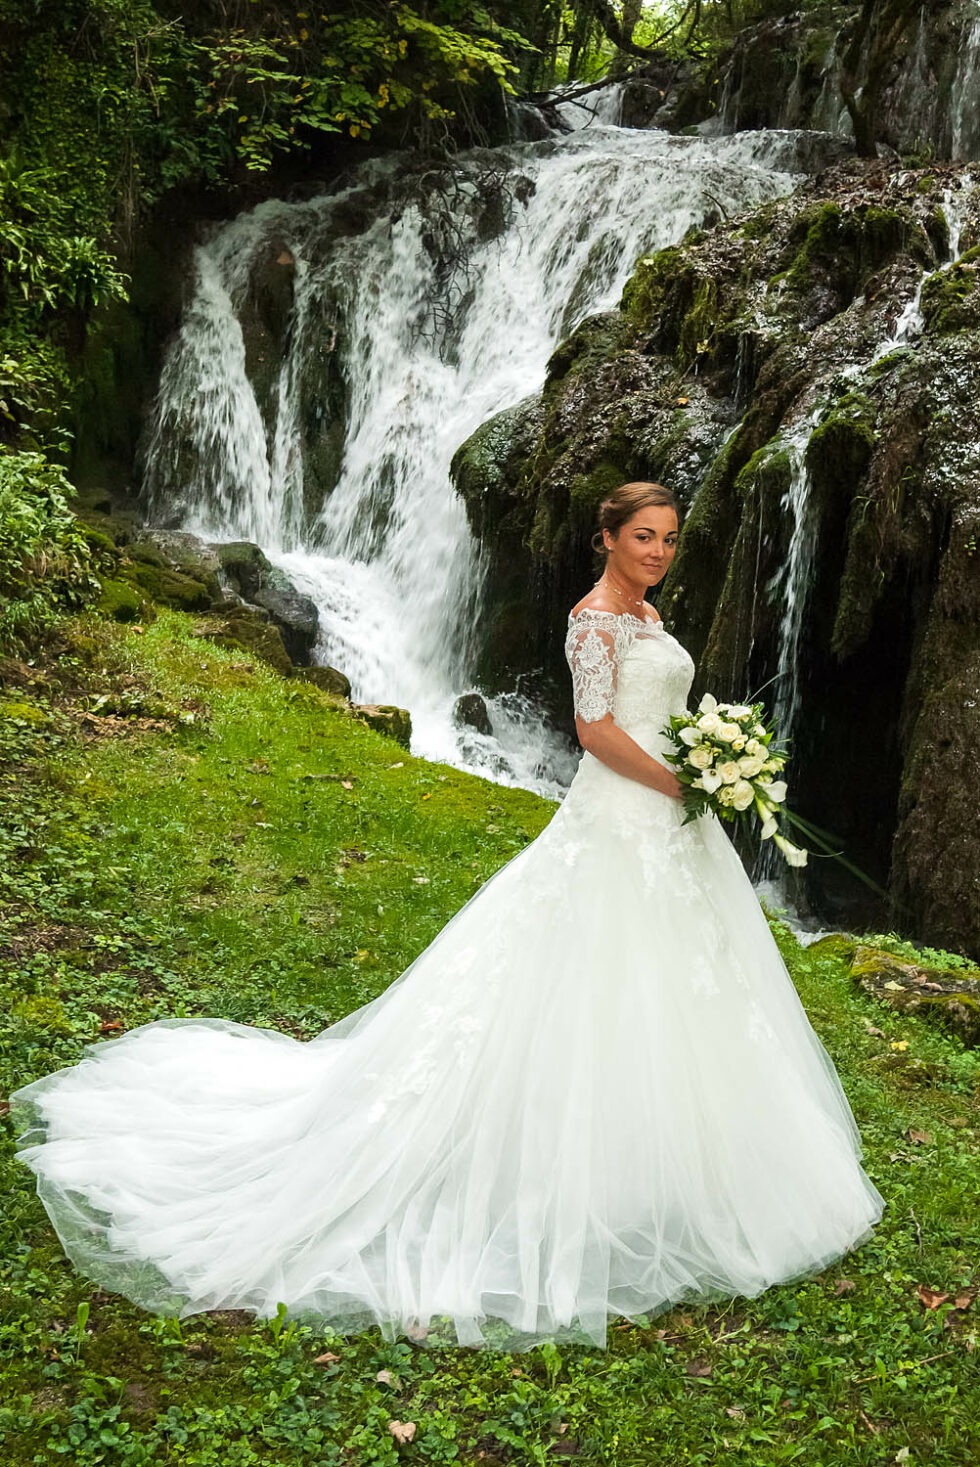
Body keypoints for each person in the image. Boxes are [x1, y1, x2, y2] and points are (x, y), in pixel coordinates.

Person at [11, 480, 885, 1353]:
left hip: (672, 828)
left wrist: (705, 755)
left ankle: (686, 1167)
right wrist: (685, 779)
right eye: (644, 537)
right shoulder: (594, 620)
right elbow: (593, 731)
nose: (658, 552)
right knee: (596, 972)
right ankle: (576, 1169)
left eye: (669, 539)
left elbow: (654, 714)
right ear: (607, 537)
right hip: (623, 814)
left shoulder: (651, 621)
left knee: (684, 985)